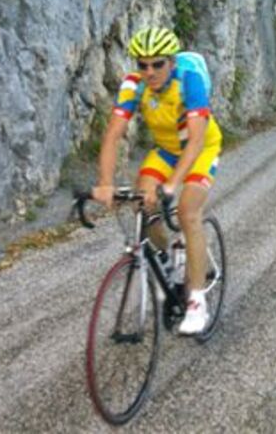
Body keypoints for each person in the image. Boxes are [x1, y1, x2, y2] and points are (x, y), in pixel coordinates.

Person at [93, 27, 222, 334]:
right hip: (166, 151)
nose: (149, 71)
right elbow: (112, 135)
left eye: (157, 64)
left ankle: (196, 301)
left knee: (189, 210)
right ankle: (167, 260)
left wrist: (172, 185)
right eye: (143, 64)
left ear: (172, 62)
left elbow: (194, 141)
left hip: (201, 148)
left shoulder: (189, 82)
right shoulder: (134, 85)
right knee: (143, 203)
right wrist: (105, 182)